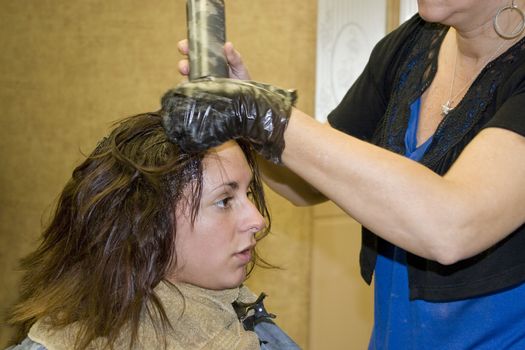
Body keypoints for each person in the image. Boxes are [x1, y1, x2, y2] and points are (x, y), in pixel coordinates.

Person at [164, 0, 525, 348]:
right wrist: (249, 120)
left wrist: (264, 114)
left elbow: (454, 227)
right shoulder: (411, 45)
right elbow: (307, 184)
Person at [6, 112, 299, 349]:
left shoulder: (242, 320)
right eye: (224, 200)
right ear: (147, 223)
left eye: (248, 193)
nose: (258, 220)